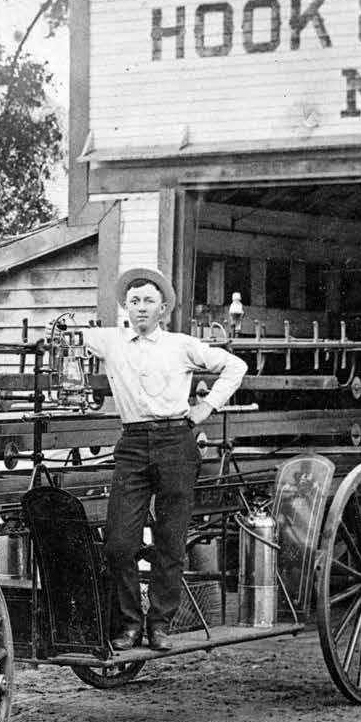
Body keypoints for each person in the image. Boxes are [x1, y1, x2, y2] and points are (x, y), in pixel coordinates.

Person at [84, 267, 247, 651]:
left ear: (163, 309)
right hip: (132, 444)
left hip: (176, 442)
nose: (141, 307)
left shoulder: (180, 344)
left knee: (170, 541)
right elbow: (67, 332)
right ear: (126, 307)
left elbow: (235, 366)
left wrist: (206, 407)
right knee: (119, 544)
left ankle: (160, 625)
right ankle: (129, 624)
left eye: (149, 301)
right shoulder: (111, 342)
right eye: (134, 301)